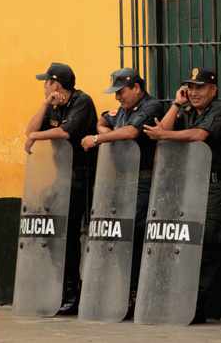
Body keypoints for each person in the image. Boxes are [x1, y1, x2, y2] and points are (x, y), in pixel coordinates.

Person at [145, 67, 221, 324]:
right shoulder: (186, 113)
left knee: (208, 245)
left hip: (215, 188)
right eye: (191, 88)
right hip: (189, 188)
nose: (195, 93)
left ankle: (196, 307)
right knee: (184, 244)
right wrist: (176, 103)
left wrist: (164, 134)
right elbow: (160, 132)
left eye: (200, 88)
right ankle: (183, 303)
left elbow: (199, 136)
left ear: (213, 90)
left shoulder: (220, 111)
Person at [79, 67, 163, 316]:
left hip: (144, 184)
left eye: (121, 92)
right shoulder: (124, 110)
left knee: (135, 237)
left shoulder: (150, 107)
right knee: (120, 237)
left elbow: (132, 132)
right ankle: (125, 292)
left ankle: (136, 294)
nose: (118, 98)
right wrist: (107, 132)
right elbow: (104, 120)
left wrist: (97, 139)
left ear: (137, 87)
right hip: (123, 184)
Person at [25, 62, 97, 315]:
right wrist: (45, 105)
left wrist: (35, 138)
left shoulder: (82, 102)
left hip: (85, 180)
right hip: (62, 180)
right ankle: (65, 291)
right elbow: (30, 129)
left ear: (55, 84)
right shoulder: (52, 106)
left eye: (46, 82)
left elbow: (67, 133)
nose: (44, 87)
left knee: (69, 236)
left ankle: (73, 295)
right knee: (55, 235)